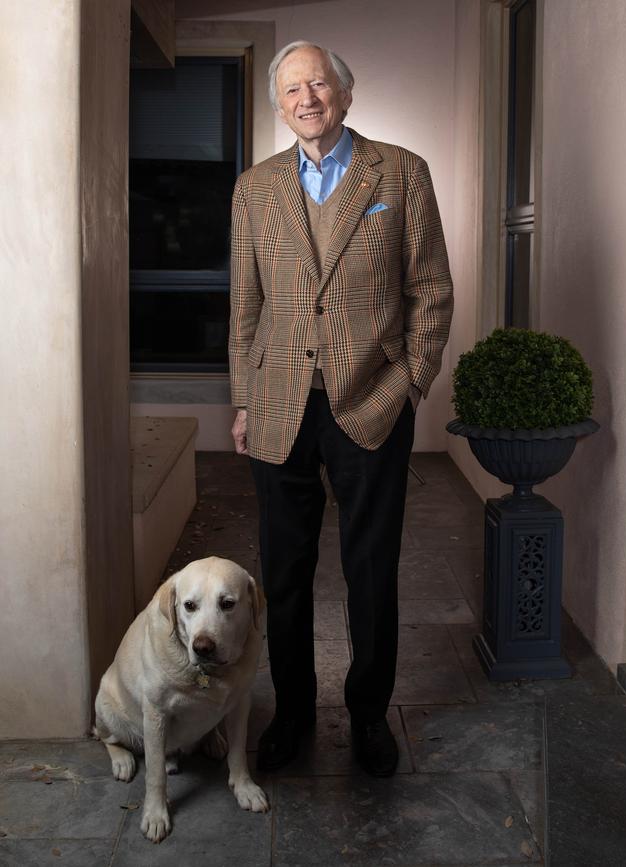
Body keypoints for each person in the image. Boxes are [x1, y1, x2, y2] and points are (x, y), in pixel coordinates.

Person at [229, 40, 453, 777]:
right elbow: (245, 308)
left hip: (371, 401)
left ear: (346, 94)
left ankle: (366, 716)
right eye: (291, 88)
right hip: (278, 405)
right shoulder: (254, 189)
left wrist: (409, 384)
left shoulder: (402, 173)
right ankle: (292, 715)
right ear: (279, 104)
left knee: (372, 570)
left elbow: (432, 293)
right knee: (285, 576)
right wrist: (242, 400)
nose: (306, 98)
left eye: (318, 84)